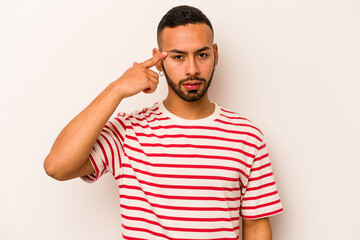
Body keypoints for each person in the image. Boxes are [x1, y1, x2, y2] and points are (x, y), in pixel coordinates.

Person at [44, 5, 283, 240]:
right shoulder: (129, 132)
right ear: (159, 61)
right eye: (178, 56)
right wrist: (116, 89)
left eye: (202, 55)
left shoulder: (246, 137)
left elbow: (256, 226)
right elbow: (57, 166)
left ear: (215, 55)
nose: (192, 69)